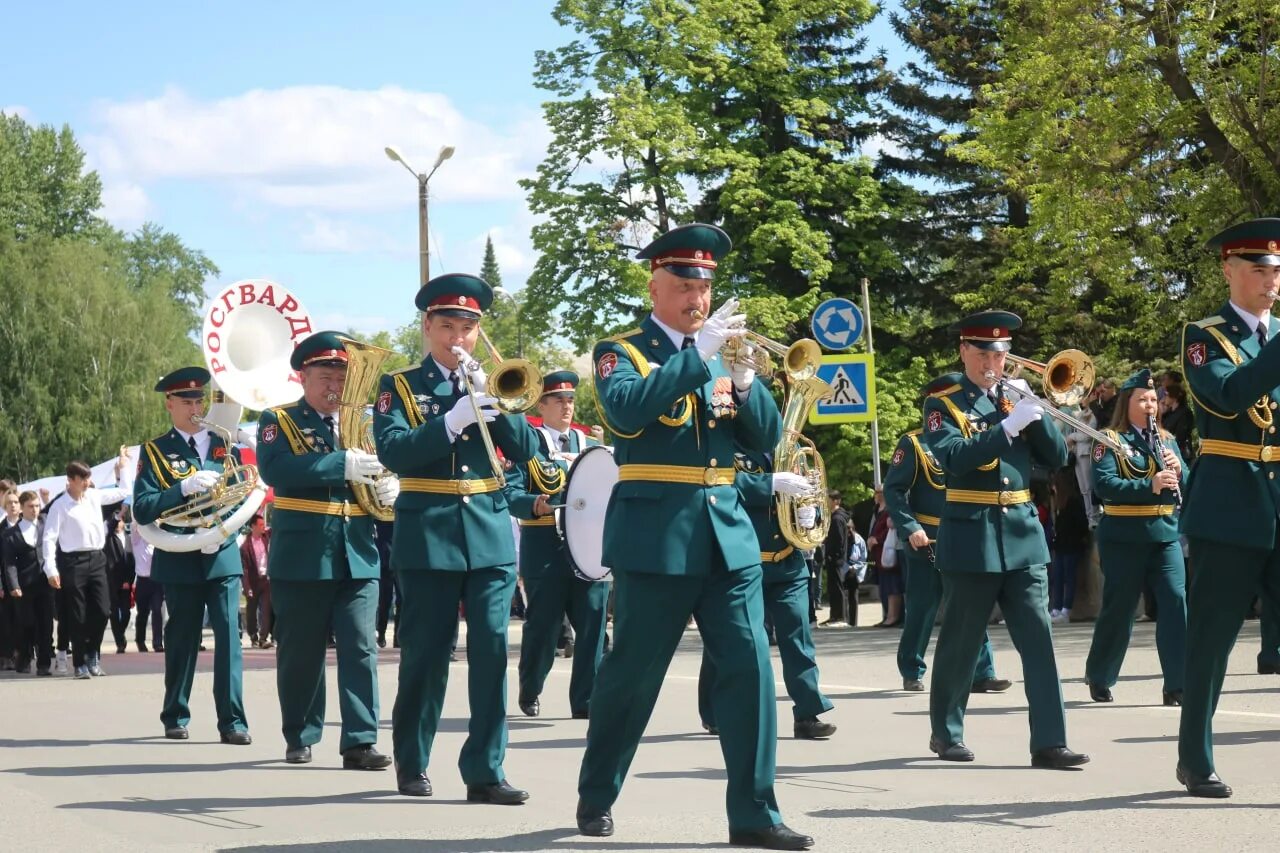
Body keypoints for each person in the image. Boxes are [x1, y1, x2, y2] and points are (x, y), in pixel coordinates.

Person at [575, 223, 811, 850]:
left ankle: (755, 813)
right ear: (654, 286)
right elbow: (626, 412)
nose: (696, 300)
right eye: (682, 286)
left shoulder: (717, 354)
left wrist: (749, 378)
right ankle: (596, 793)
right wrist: (697, 355)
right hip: (655, 534)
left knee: (750, 671)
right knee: (632, 675)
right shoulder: (621, 351)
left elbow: (761, 438)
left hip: (728, 533)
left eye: (703, 289)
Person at [373, 273, 540, 802]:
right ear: (427, 326)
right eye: (447, 326)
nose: (458, 339)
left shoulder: (489, 382)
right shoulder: (399, 387)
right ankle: (413, 761)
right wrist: (450, 421)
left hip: (489, 529)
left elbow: (527, 449)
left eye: (467, 329)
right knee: (425, 653)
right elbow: (394, 452)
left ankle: (486, 771)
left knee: (492, 651)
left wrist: (496, 402)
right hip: (431, 531)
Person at [921, 310, 1087, 770]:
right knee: (960, 642)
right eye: (982, 352)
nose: (992, 361)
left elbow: (1055, 458)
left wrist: (1034, 415)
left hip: (1021, 533)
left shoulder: (1016, 398)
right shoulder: (944, 404)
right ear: (964, 352)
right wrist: (1007, 428)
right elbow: (953, 458)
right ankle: (946, 733)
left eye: (999, 352)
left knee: (1039, 643)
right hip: (971, 533)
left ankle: (1050, 741)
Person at [257, 331, 396, 770]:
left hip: (357, 549)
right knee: (302, 649)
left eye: (341, 373)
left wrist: (393, 486)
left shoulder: (366, 424)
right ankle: (300, 732)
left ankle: (359, 741)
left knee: (360, 646)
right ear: (303, 377)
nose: (335, 383)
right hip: (304, 553)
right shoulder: (278, 420)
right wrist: (341, 463)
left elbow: (387, 469)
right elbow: (275, 468)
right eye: (325, 374)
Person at [1176, 217, 1280, 798]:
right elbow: (1231, 394)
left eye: (1276, 270)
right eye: (1259, 270)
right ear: (1230, 271)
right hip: (1229, 499)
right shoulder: (1204, 337)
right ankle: (1195, 757)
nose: (1271, 280)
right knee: (1212, 640)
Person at [132, 367, 250, 743]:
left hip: (222, 555)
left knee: (230, 639)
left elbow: (242, 494)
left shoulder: (224, 445)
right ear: (169, 404)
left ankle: (233, 722)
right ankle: (175, 714)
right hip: (180, 557)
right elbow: (143, 508)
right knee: (182, 638)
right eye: (186, 401)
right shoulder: (154, 451)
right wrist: (181, 489)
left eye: (199, 400)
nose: (195, 407)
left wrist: (226, 531)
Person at [697, 445, 837, 741]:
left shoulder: (787, 450)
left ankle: (807, 713)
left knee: (798, 637)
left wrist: (807, 510)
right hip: (744, 560)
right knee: (733, 640)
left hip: (787, 560)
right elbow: (722, 484)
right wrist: (769, 483)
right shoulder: (725, 447)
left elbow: (806, 490)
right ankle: (714, 709)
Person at [884, 400, 1011, 694]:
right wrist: (909, 527)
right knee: (923, 607)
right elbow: (894, 489)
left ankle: (982, 672)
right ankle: (912, 669)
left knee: (972, 604)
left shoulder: (972, 440)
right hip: (927, 538)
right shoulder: (914, 443)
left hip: (965, 535)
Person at [507, 370, 609, 720]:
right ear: (542, 404)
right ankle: (530, 686)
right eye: (558, 401)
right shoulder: (528, 443)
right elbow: (510, 491)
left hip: (589, 546)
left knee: (593, 626)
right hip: (545, 545)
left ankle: (586, 699)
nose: (566, 407)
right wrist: (533, 503)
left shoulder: (591, 446)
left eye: (570, 401)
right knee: (544, 626)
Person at [1084, 368, 1188, 706]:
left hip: (1164, 535)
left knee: (1175, 602)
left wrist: (1180, 469)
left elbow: (1188, 483)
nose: (1150, 405)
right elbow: (1105, 487)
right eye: (1142, 399)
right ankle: (1100, 676)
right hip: (1124, 535)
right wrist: (1151, 485)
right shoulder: (1109, 441)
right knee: (1120, 608)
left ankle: (1178, 683)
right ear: (1126, 403)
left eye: (1154, 400)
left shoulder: (1168, 440)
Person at [41, 455, 133, 679]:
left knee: (103, 610)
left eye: (88, 478)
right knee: (77, 614)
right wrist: (51, 569)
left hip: (97, 559)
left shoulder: (93, 495)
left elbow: (123, 492)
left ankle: (93, 651)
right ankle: (80, 663)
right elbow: (49, 539)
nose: (87, 482)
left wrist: (123, 470)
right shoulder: (61, 506)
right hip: (73, 563)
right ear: (71, 480)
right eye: (83, 479)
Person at [2, 491, 49, 674]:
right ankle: (24, 658)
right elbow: (9, 563)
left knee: (45, 624)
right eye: (30, 506)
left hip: (45, 583)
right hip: (24, 586)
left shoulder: (45, 524)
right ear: (22, 508)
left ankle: (44, 663)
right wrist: (13, 585)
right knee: (26, 624)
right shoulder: (10, 534)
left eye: (37, 506)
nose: (34, 510)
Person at [103, 506, 135, 654]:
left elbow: (131, 561)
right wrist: (120, 512)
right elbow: (109, 527)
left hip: (126, 581)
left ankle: (120, 634)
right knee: (114, 613)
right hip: (111, 581)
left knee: (126, 612)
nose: (118, 523)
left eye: (120, 520)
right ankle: (120, 642)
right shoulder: (108, 537)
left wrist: (129, 579)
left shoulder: (128, 537)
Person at [239, 512, 273, 649]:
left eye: (263, 524)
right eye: (260, 525)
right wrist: (247, 588)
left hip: (265, 580)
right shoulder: (245, 547)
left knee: (266, 609)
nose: (262, 527)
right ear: (253, 526)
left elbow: (275, 529)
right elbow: (245, 570)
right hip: (253, 582)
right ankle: (253, 635)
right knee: (251, 611)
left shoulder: (266, 538)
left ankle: (263, 638)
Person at [820, 490, 853, 626]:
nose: (826, 502)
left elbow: (839, 540)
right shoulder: (834, 517)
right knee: (833, 588)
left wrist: (833, 555)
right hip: (833, 558)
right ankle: (834, 615)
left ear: (836, 501)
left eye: (828, 500)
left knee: (838, 588)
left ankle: (840, 617)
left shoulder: (837, 518)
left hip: (836, 558)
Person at [130, 521, 163, 652]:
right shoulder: (137, 541)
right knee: (143, 613)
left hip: (156, 581)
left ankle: (158, 642)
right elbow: (134, 526)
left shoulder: (156, 543)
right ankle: (140, 640)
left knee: (157, 611)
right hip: (142, 581)